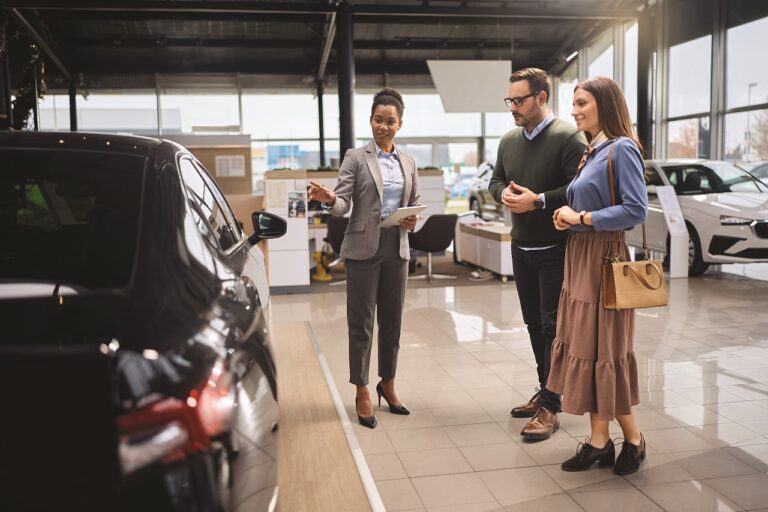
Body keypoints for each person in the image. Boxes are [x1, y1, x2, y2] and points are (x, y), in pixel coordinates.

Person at [548, 76, 648, 475]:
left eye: (581, 102)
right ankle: (603, 441)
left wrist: (583, 217)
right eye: (573, 103)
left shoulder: (622, 148)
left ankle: (621, 442)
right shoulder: (594, 149)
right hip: (582, 258)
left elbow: (636, 210)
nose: (573, 110)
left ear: (603, 104)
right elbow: (587, 204)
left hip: (604, 261)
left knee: (604, 350)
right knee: (589, 350)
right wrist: (568, 219)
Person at [308, 88, 418, 429]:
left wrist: (412, 220)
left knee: (393, 323)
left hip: (396, 247)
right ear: (370, 121)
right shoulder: (356, 157)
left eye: (390, 121)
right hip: (362, 249)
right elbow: (343, 204)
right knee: (362, 324)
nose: (383, 127)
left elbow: (413, 202)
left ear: (400, 124)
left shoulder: (409, 161)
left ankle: (389, 382)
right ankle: (362, 389)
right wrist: (329, 199)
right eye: (377, 120)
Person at [489, 68, 587, 440]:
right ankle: (545, 389)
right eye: (509, 100)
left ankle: (551, 404)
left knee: (552, 326)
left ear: (541, 98)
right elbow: (495, 180)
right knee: (532, 323)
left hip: (556, 248)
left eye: (519, 100)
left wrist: (539, 200)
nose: (512, 107)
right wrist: (506, 196)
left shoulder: (568, 137)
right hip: (521, 246)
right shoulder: (508, 140)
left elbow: (580, 188)